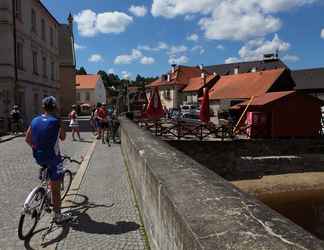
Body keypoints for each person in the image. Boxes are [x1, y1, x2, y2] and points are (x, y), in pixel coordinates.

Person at [25, 96, 71, 224]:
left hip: (38, 157)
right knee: (56, 189)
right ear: (55, 107)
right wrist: (60, 124)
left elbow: (28, 139)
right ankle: (58, 216)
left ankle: (45, 194)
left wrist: (37, 148)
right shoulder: (56, 121)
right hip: (53, 158)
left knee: (46, 171)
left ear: (43, 107)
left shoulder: (34, 120)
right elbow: (62, 138)